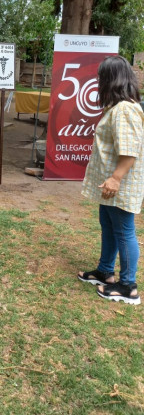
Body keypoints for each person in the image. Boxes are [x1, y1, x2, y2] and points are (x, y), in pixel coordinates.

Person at [78, 55, 143, 305]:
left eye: (101, 77)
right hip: (110, 184)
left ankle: (129, 287)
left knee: (124, 231)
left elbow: (129, 151)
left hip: (119, 184)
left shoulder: (125, 109)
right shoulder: (118, 107)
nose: (98, 81)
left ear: (111, 79)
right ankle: (105, 271)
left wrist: (115, 179)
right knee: (108, 225)